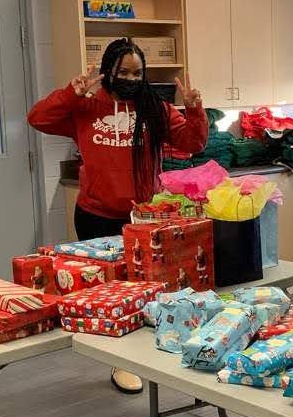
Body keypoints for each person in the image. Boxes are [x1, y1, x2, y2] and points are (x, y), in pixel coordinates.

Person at [28, 39, 208, 393]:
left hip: (142, 220)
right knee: (109, 295)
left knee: (146, 291)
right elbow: (38, 118)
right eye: (123, 72)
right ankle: (119, 361)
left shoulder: (154, 108)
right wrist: (71, 93)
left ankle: (145, 355)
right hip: (95, 215)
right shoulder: (86, 106)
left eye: (137, 73)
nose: (130, 79)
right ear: (108, 71)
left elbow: (193, 143)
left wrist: (193, 109)